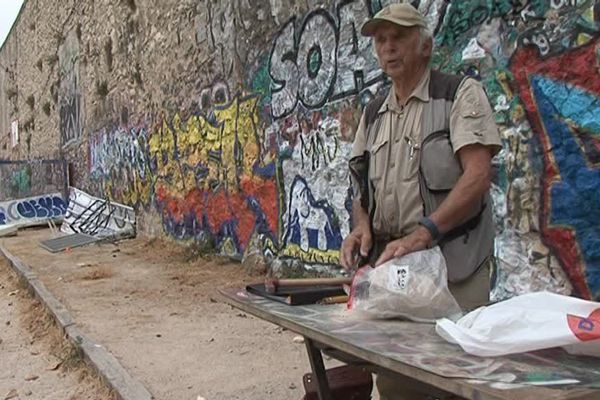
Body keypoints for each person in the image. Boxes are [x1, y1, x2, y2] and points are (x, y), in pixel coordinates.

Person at [339, 3, 501, 400]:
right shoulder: (374, 111)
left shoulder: (459, 94)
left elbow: (478, 176)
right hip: (395, 267)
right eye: (381, 40)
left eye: (399, 38)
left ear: (425, 45)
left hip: (454, 263)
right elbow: (358, 185)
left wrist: (425, 233)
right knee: (396, 377)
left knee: (457, 374)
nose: (388, 48)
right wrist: (361, 226)